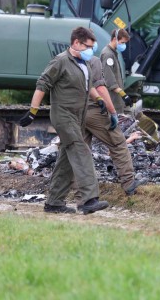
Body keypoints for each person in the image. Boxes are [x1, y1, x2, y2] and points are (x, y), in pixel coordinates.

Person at [20, 27, 109, 215]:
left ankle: (54, 203)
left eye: (93, 47)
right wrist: (32, 112)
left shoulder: (84, 64)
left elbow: (88, 86)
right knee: (81, 149)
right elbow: (42, 84)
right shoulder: (60, 61)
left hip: (78, 117)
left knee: (67, 160)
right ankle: (88, 200)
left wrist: (99, 100)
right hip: (63, 115)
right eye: (88, 46)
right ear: (76, 42)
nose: (91, 50)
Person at [83, 55, 145, 196]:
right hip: (95, 110)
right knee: (118, 144)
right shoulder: (95, 60)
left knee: (80, 151)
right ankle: (129, 184)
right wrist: (113, 112)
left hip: (77, 111)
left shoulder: (71, 61)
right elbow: (101, 88)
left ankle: (77, 189)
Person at [101, 29, 133, 114]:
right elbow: (110, 81)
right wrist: (124, 95)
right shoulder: (108, 55)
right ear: (115, 39)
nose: (124, 45)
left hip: (117, 100)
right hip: (113, 100)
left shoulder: (113, 53)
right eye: (122, 42)